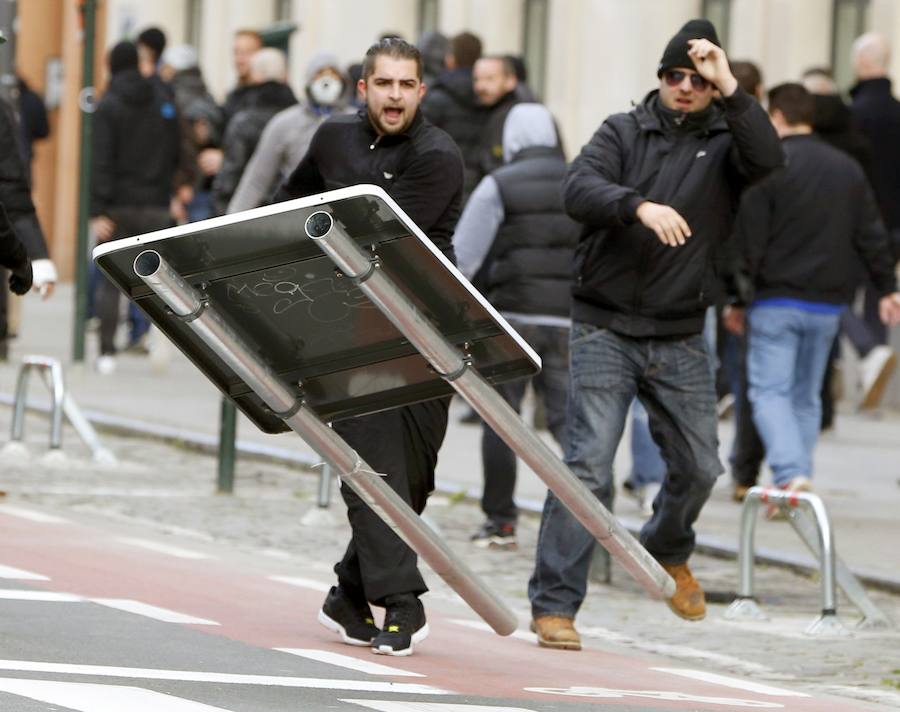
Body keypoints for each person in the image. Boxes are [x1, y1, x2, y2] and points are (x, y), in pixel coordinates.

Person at [527, 19, 782, 651]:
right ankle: (555, 604)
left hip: (678, 332)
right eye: (677, 75)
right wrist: (637, 206)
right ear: (660, 79)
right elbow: (577, 187)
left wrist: (734, 89)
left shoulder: (728, 142)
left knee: (700, 467)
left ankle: (667, 547)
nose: (687, 87)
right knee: (588, 466)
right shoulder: (622, 131)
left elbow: (770, 159)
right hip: (605, 325)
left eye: (700, 79)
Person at [274, 38, 463, 657]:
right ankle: (402, 601)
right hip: (350, 328)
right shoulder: (333, 139)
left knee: (414, 479)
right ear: (364, 88)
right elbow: (286, 203)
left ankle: (348, 592)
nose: (395, 96)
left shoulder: (438, 156)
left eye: (407, 86)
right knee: (371, 462)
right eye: (385, 84)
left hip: (426, 326)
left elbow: (380, 238)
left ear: (420, 92)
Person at [729, 83, 900, 506]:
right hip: (827, 302)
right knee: (805, 396)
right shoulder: (846, 168)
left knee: (769, 392)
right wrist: (886, 287)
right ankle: (798, 481)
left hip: (775, 299)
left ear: (778, 116)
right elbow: (870, 233)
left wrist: (735, 295)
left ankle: (790, 475)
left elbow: (748, 238)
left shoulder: (769, 166)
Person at [453, 103, 578, 549]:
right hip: (567, 320)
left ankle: (501, 520)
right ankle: (587, 517)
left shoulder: (498, 185)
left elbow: (463, 259)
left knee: (501, 421)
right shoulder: (581, 181)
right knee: (571, 427)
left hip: (511, 320)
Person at [90, 41, 180, 374]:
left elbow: (100, 160)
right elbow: (175, 150)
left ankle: (106, 352)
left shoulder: (109, 105)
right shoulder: (162, 101)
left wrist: (97, 209)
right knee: (158, 279)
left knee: (111, 281)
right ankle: (160, 344)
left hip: (118, 206)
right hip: (156, 202)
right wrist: (173, 190)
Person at [847, 33, 900, 408]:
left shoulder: (854, 115)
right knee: (881, 294)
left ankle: (865, 355)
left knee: (834, 296)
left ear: (861, 63)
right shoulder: (898, 113)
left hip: (857, 220)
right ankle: (875, 364)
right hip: (893, 223)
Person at [227, 52, 348, 214]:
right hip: (299, 218)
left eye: (334, 74)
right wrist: (233, 221)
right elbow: (256, 181)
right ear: (309, 80)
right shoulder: (285, 122)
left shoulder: (355, 120)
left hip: (347, 216)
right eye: (319, 74)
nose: (327, 81)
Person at [212, 48, 296, 215]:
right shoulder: (300, 118)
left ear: (255, 76)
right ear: (285, 75)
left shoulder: (244, 120)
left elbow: (231, 174)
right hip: (293, 210)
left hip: (249, 213)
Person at [421, 31, 486, 200]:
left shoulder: (437, 96)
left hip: (444, 181)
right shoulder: (488, 95)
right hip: (481, 183)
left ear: (450, 59)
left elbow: (421, 140)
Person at [472, 55, 519, 180]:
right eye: (477, 79)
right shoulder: (481, 111)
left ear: (510, 81)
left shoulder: (516, 116)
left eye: (489, 79)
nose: (480, 86)